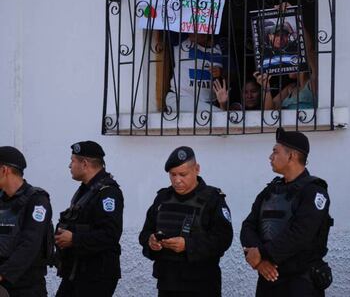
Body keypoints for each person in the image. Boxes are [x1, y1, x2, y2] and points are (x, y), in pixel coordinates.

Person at [240, 128, 333, 297]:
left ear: (292, 156)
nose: (270, 157)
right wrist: (260, 262)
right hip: (268, 280)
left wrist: (261, 254)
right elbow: (248, 226)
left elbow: (300, 234)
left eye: (275, 151)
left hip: (300, 283)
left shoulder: (314, 192)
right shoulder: (270, 191)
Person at [139, 146, 233, 297]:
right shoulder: (163, 197)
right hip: (167, 282)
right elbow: (145, 232)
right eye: (173, 174)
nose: (177, 180)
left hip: (201, 284)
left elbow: (223, 239)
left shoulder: (212, 199)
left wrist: (188, 245)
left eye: (183, 174)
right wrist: (151, 242)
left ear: (196, 169)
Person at [55, 141, 124, 297]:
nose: (69, 165)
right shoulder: (86, 190)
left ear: (84, 164)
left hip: (96, 275)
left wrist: (74, 239)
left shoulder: (108, 193)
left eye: (73, 161)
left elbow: (110, 234)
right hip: (77, 270)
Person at [0, 146, 53, 297]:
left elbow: (30, 245)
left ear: (4, 170)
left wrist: (3, 273)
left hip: (26, 286)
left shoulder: (37, 201)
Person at [165, 33, 226, 112]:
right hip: (180, 98)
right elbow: (168, 23)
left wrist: (221, 72)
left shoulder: (219, 48)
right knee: (220, 116)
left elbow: (233, 73)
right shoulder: (181, 39)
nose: (191, 30)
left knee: (219, 117)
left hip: (209, 103)